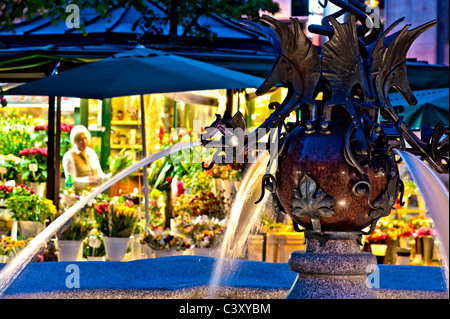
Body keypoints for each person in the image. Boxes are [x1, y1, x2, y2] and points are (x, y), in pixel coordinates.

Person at [62, 125, 109, 193]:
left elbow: (100, 174)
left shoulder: (91, 153)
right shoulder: (69, 156)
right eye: (81, 139)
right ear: (74, 141)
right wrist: (89, 180)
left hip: (95, 194)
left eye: (86, 138)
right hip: (79, 196)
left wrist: (110, 176)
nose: (84, 141)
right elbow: (70, 181)